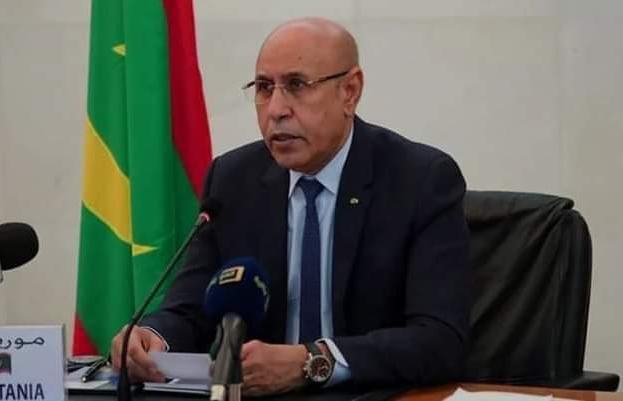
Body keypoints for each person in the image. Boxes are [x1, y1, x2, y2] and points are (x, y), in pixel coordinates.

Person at [111, 17, 470, 396]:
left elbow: (440, 340)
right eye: (264, 88)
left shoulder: (420, 180)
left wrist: (312, 361)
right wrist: (152, 337)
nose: (276, 109)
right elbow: (191, 308)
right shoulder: (233, 180)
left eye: (297, 85)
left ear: (350, 91)